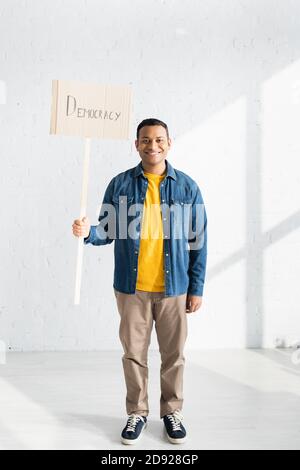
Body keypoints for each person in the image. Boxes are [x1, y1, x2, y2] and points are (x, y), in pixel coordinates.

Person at [72, 118, 208, 445]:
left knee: (174, 354)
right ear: (136, 145)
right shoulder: (120, 184)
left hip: (174, 288)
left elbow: (198, 241)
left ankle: (172, 412)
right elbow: (107, 230)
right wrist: (88, 232)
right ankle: (137, 412)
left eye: (159, 140)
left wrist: (196, 287)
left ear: (169, 143)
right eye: (146, 140)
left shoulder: (187, 187)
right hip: (131, 289)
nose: (153, 146)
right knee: (133, 354)